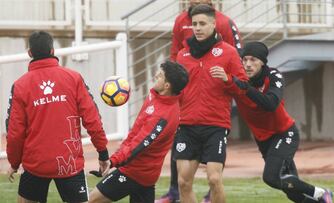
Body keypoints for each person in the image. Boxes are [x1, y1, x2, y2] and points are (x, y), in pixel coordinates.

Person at [6, 31, 110, 203]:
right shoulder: (74, 78)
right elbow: (92, 120)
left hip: (35, 165)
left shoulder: (20, 86)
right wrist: (103, 153)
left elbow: (15, 131)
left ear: (30, 54)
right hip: (69, 163)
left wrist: (14, 163)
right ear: (53, 51)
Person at [157, 1, 244, 202]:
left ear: (214, 25)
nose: (197, 28)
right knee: (183, 182)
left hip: (215, 125)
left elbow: (243, 86)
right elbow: (174, 88)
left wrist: (227, 79)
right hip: (186, 125)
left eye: (202, 24)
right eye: (195, 24)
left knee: (214, 179)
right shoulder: (183, 55)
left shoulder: (228, 52)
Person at [233, 41, 333, 203]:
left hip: (284, 133)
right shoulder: (240, 79)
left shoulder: (273, 75)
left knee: (271, 178)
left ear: (263, 62)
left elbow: (271, 104)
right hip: (263, 140)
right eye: (244, 60)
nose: (248, 64)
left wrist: (245, 88)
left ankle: (321, 193)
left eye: (253, 60)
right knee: (292, 192)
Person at [88, 61, 189, 203]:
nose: (155, 76)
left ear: (167, 86)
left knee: (93, 199)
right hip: (146, 174)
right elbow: (136, 130)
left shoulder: (163, 116)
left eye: (160, 76)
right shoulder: (156, 96)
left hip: (135, 172)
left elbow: (138, 144)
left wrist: (113, 161)